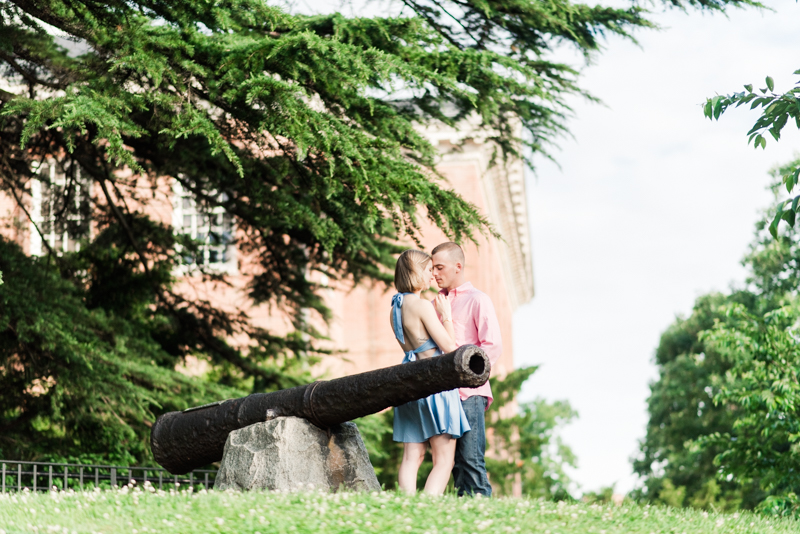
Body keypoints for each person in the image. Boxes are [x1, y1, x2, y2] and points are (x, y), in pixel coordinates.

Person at [391, 249, 471, 495]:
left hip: (409, 382)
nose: (432, 275)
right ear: (416, 273)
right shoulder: (422, 305)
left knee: (411, 456)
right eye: (428, 270)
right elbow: (449, 349)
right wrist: (446, 316)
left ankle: (405, 506)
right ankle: (427, 507)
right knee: (444, 458)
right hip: (435, 384)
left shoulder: (396, 306)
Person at [431, 242, 502, 497]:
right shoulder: (434, 304)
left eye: (440, 267)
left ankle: (486, 516)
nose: (434, 274)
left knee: (471, 460)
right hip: (442, 395)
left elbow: (492, 346)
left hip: (470, 394)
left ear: (458, 267)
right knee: (453, 465)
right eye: (432, 268)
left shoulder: (478, 300)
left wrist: (468, 379)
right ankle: (465, 517)